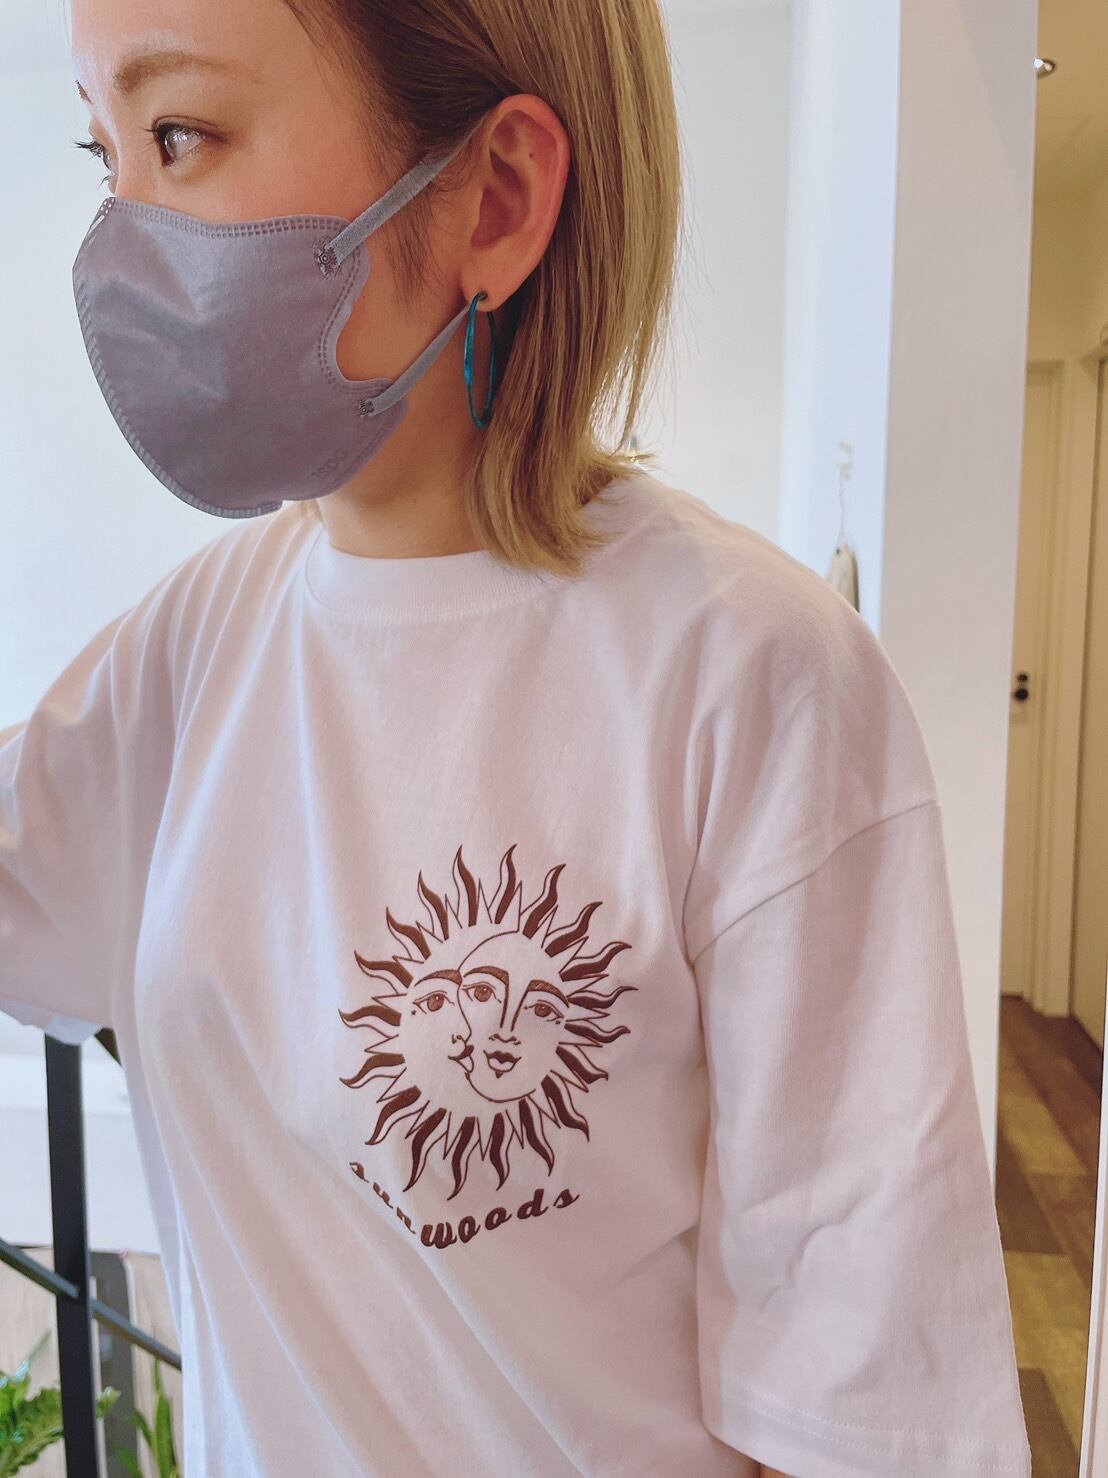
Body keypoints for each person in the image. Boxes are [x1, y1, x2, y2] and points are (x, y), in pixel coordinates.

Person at [0, 0, 1033, 1473]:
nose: (121, 243)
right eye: (103, 153)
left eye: (181, 133)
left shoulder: (753, 678)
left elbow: (861, 1411)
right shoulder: (191, 651)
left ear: (494, 199)